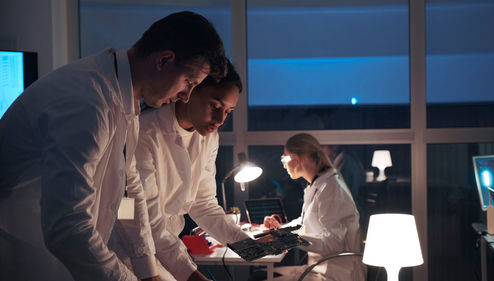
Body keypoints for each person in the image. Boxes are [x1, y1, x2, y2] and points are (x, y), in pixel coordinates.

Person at [0, 11, 226, 281]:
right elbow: (68, 227)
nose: (186, 96)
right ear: (165, 60)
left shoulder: (121, 98)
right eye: (189, 83)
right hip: (25, 257)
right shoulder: (88, 101)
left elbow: (127, 196)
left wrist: (148, 272)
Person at [110, 60, 250, 280]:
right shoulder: (144, 131)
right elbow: (143, 217)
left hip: (165, 248)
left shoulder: (208, 137)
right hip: (129, 248)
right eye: (215, 106)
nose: (221, 119)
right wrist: (191, 274)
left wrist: (248, 245)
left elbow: (203, 204)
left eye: (228, 112)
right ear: (191, 91)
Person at [262, 133, 366, 281]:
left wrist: (288, 238)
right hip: (318, 269)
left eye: (284, 158)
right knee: (259, 275)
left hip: (337, 275)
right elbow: (306, 221)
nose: (283, 164)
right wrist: (281, 228)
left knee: (258, 278)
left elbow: (333, 244)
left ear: (298, 159)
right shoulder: (317, 183)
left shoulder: (331, 188)